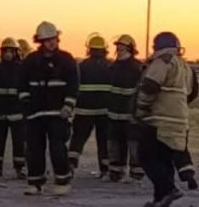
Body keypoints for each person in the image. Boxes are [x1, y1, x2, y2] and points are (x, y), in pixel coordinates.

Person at [19, 22, 79, 196]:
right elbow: (22, 84)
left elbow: (73, 85)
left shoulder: (66, 60)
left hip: (58, 113)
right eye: (47, 40)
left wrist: (68, 105)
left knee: (58, 148)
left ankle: (62, 181)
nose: (51, 43)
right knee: (34, 149)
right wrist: (26, 103)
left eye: (53, 39)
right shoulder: (30, 61)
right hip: (35, 113)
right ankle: (35, 182)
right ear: (40, 41)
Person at [136, 32, 193, 207]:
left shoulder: (162, 61)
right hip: (179, 119)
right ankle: (160, 199)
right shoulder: (185, 66)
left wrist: (141, 108)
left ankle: (168, 189)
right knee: (164, 159)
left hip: (159, 119)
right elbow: (192, 92)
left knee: (146, 156)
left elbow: (150, 86)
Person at [69, 34, 112, 178]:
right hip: (104, 111)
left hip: (83, 110)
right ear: (105, 50)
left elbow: (73, 86)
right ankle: (105, 169)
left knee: (78, 139)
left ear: (89, 49)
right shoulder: (110, 67)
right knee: (104, 141)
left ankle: (71, 164)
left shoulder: (80, 67)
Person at [0, 38, 26, 179]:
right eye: (5, 51)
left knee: (19, 143)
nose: (8, 53)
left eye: (11, 51)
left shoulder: (22, 69)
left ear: (16, 52)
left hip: (18, 113)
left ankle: (20, 169)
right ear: (1, 52)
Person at [107, 35, 145, 183]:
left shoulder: (136, 67)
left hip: (130, 113)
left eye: (122, 46)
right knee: (115, 143)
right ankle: (115, 172)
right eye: (118, 46)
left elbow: (139, 91)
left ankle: (136, 174)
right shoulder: (114, 66)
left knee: (133, 143)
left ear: (130, 49)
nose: (119, 49)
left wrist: (137, 111)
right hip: (114, 113)